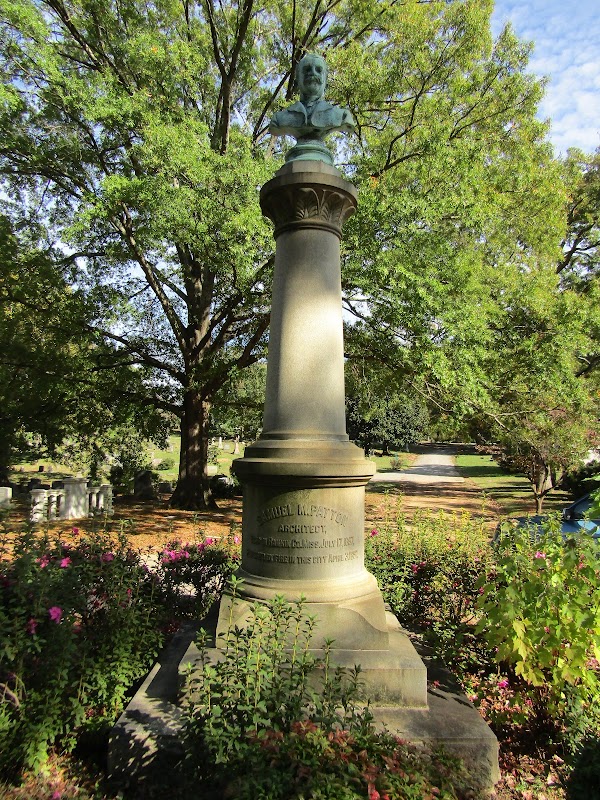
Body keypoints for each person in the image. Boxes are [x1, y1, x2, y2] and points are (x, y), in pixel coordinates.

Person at [270, 53, 355, 141]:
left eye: (318, 70)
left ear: (325, 80)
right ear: (298, 79)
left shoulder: (343, 116)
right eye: (307, 69)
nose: (313, 73)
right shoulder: (279, 119)